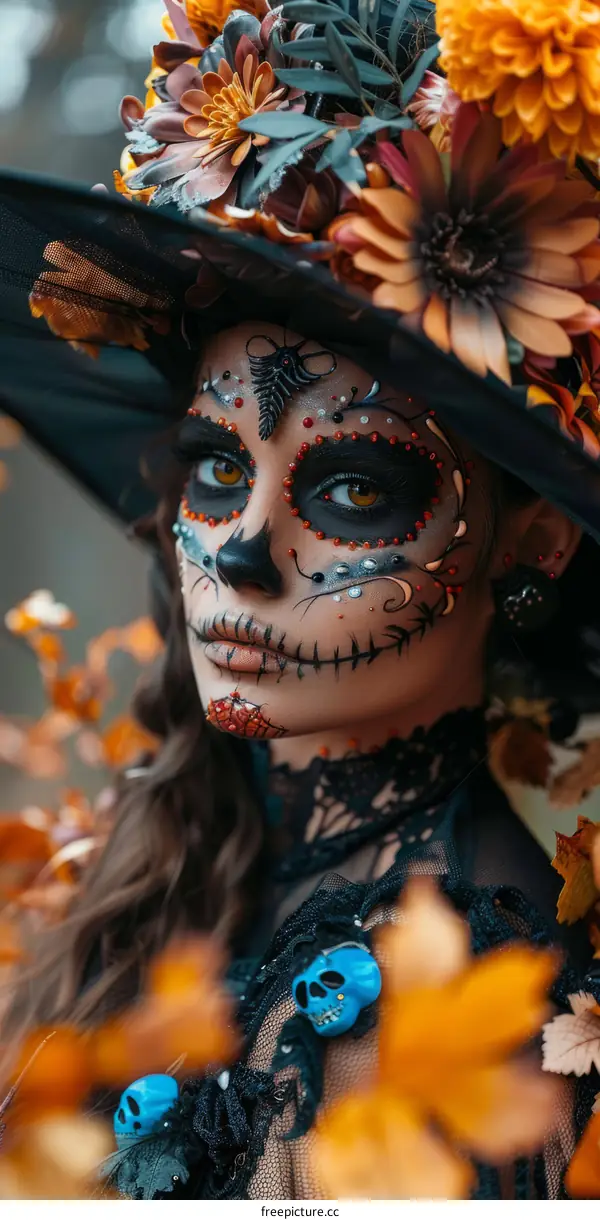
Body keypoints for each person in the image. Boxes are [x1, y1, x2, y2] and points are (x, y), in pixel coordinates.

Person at [1, 0, 600, 1200]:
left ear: (530, 533)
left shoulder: (455, 1001)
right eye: (219, 468)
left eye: (354, 485)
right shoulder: (196, 841)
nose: (238, 552)